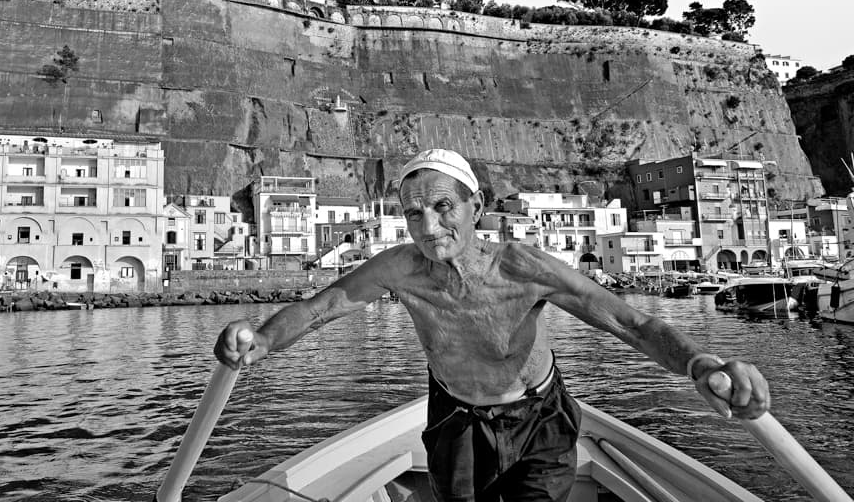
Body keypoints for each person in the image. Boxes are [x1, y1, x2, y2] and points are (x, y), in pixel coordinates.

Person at [215, 148, 770, 502]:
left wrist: (701, 363)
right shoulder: (400, 269)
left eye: (441, 207)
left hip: (540, 419)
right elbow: (320, 307)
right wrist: (264, 338)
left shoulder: (524, 268)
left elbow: (632, 321)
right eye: (413, 213)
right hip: (456, 416)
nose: (429, 227)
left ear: (475, 207)